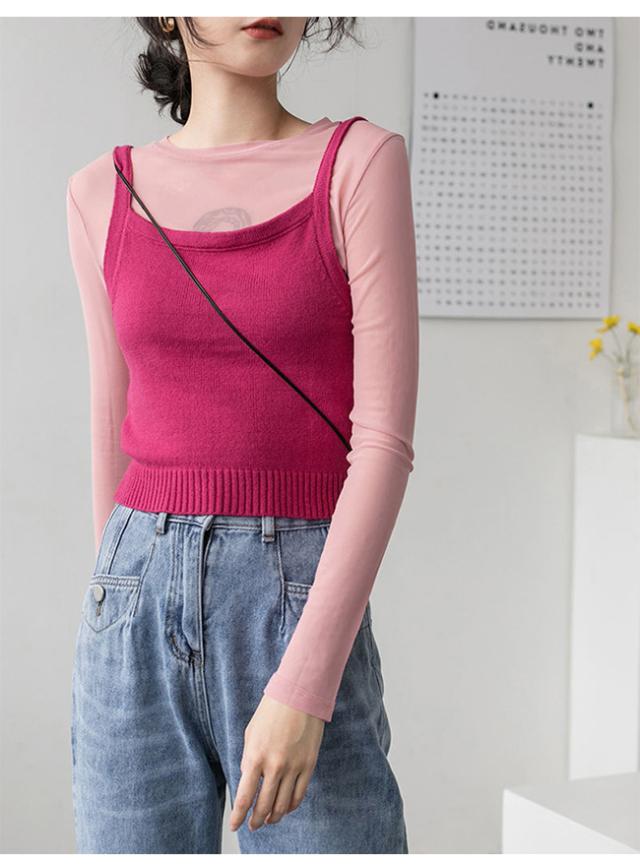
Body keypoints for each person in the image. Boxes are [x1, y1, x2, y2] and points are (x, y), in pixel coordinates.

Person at [66, 16, 419, 855]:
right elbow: (112, 419)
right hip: (132, 596)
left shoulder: (359, 163)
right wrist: (115, 604)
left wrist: (307, 682)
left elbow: (382, 441)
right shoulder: (99, 191)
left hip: (295, 598)